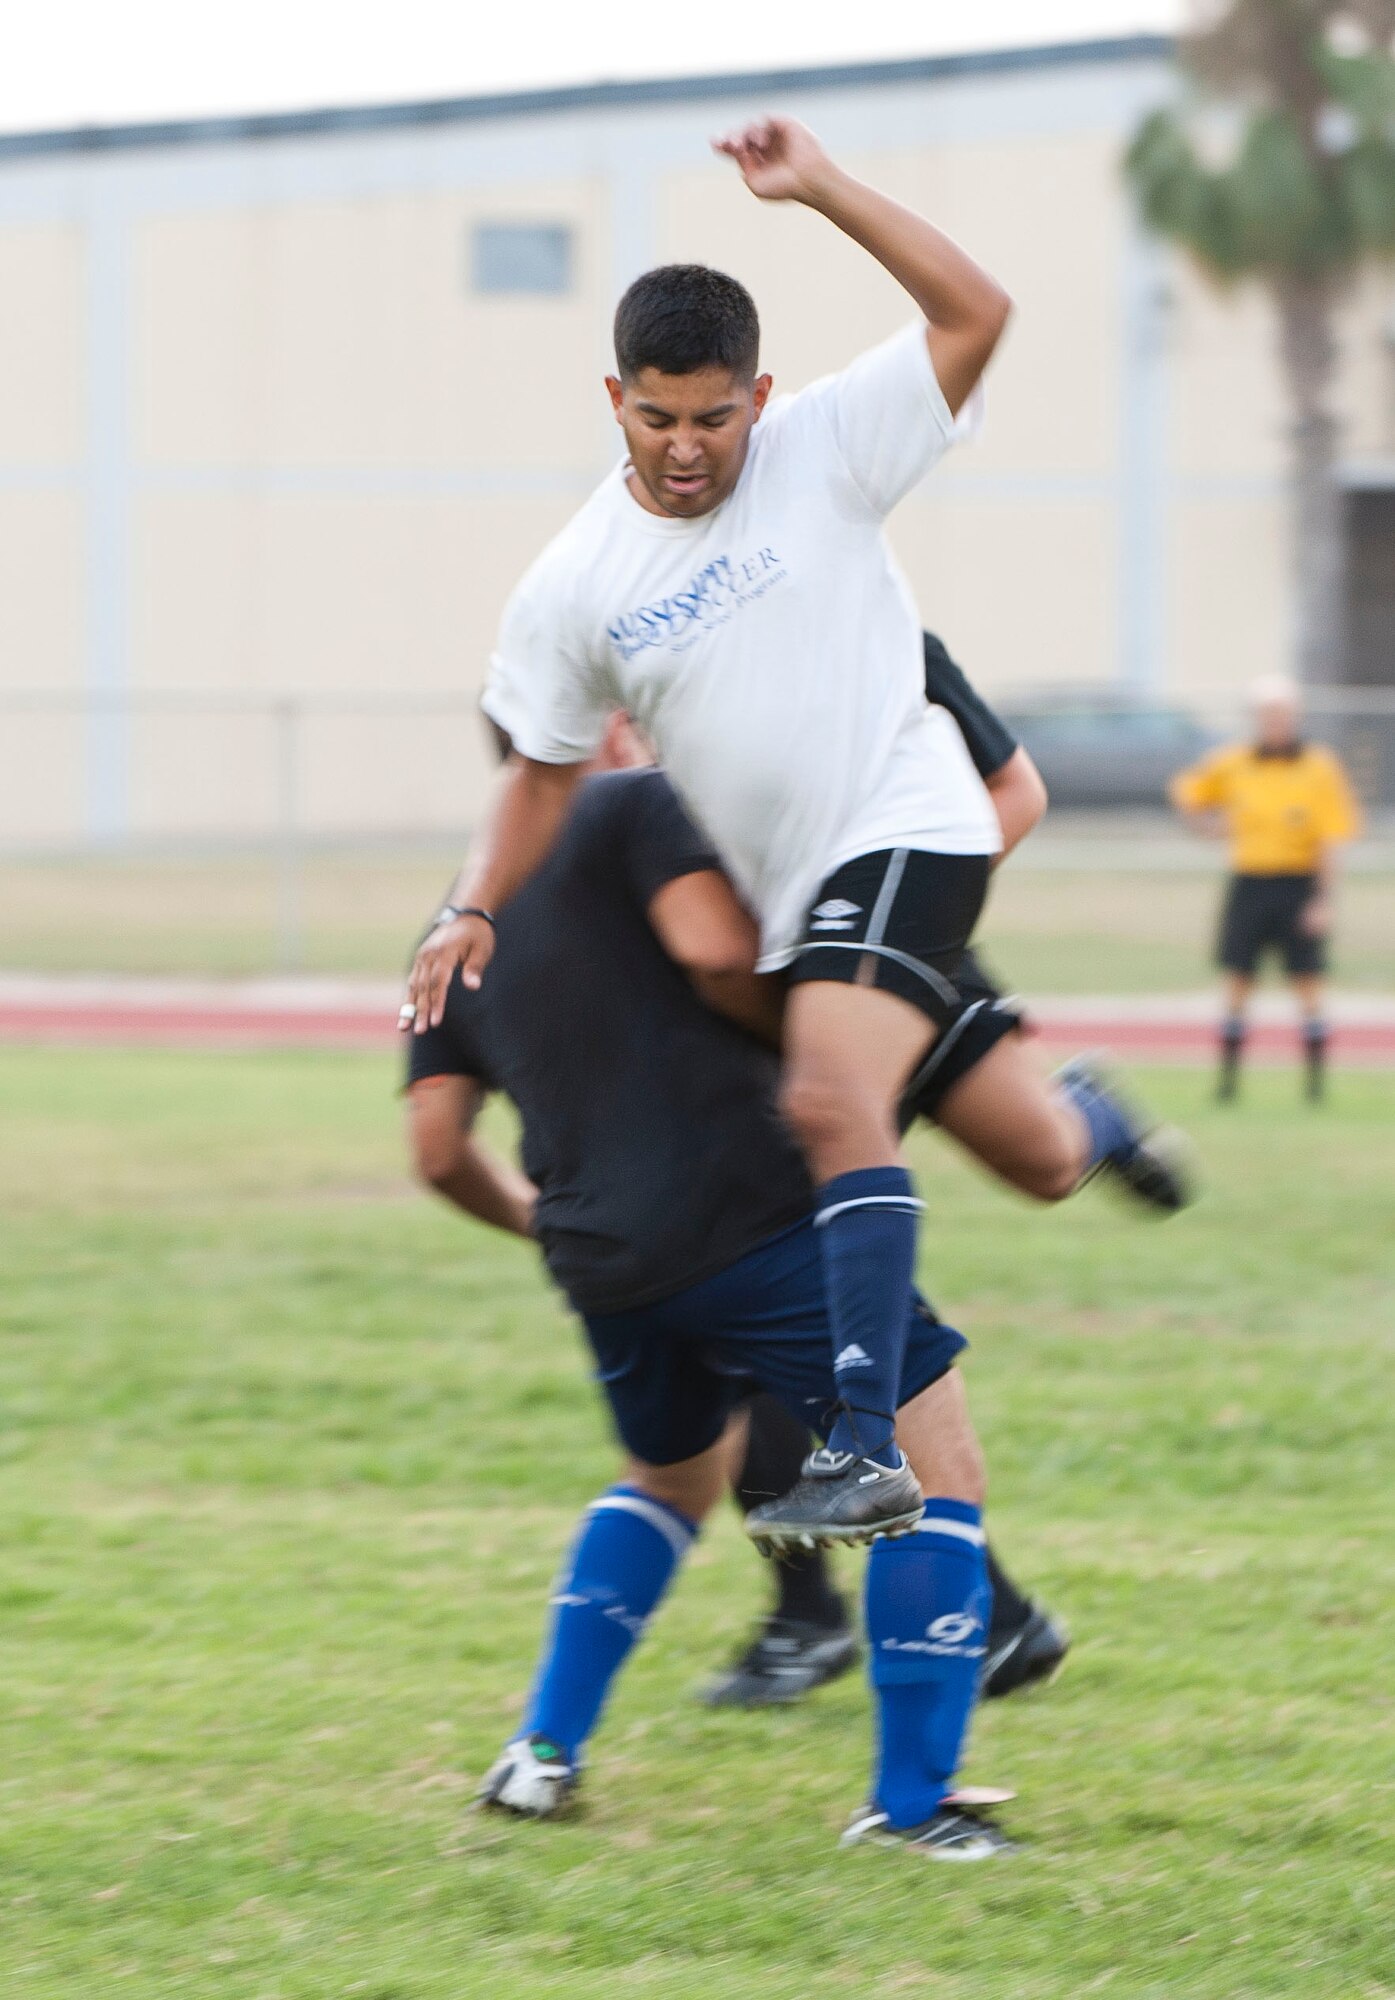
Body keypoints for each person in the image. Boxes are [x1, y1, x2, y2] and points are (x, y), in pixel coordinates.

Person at [407, 117, 1143, 1545]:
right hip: (808, 910)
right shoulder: (574, 583)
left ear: (762, 395)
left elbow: (977, 311)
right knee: (1040, 1162)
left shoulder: (828, 447)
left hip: (909, 829)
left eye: (715, 418)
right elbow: (543, 770)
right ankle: (1093, 1114)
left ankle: (861, 1450)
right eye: (657, 419)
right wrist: (472, 904)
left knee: (819, 1099)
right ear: (612, 397)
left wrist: (816, 191)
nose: (688, 451)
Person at [405, 723, 1016, 1857]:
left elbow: (437, 1148)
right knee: (938, 1473)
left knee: (669, 1477)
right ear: (604, 723)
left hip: (601, 1256)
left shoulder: (456, 916)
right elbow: (718, 951)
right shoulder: (636, 804)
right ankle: (914, 1805)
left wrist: (547, 1223)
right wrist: (842, 1045)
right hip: (750, 1220)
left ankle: (541, 1753)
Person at [1170, 675, 1362, 1103]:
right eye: (1267, 714)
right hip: (1251, 883)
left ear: (1295, 717)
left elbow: (1333, 837)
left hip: (1298, 882)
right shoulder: (1234, 761)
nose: (1275, 722)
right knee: (1238, 979)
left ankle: (1314, 1087)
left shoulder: (1319, 766)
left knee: (1307, 982)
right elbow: (1187, 792)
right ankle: (1228, 1085)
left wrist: (1323, 899)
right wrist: (1206, 827)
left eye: (1283, 714)